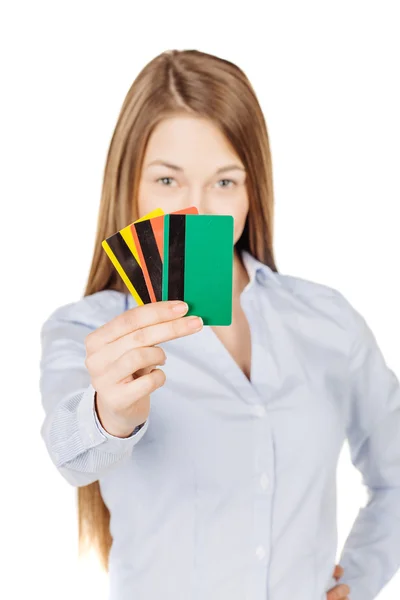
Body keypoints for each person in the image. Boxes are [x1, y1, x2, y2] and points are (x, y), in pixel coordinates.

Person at [39, 49, 400, 600]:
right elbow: (72, 453)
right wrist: (109, 412)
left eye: (225, 183)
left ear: (253, 190)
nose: (198, 208)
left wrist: (360, 577)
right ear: (129, 186)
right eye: (167, 181)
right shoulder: (87, 329)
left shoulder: (327, 321)